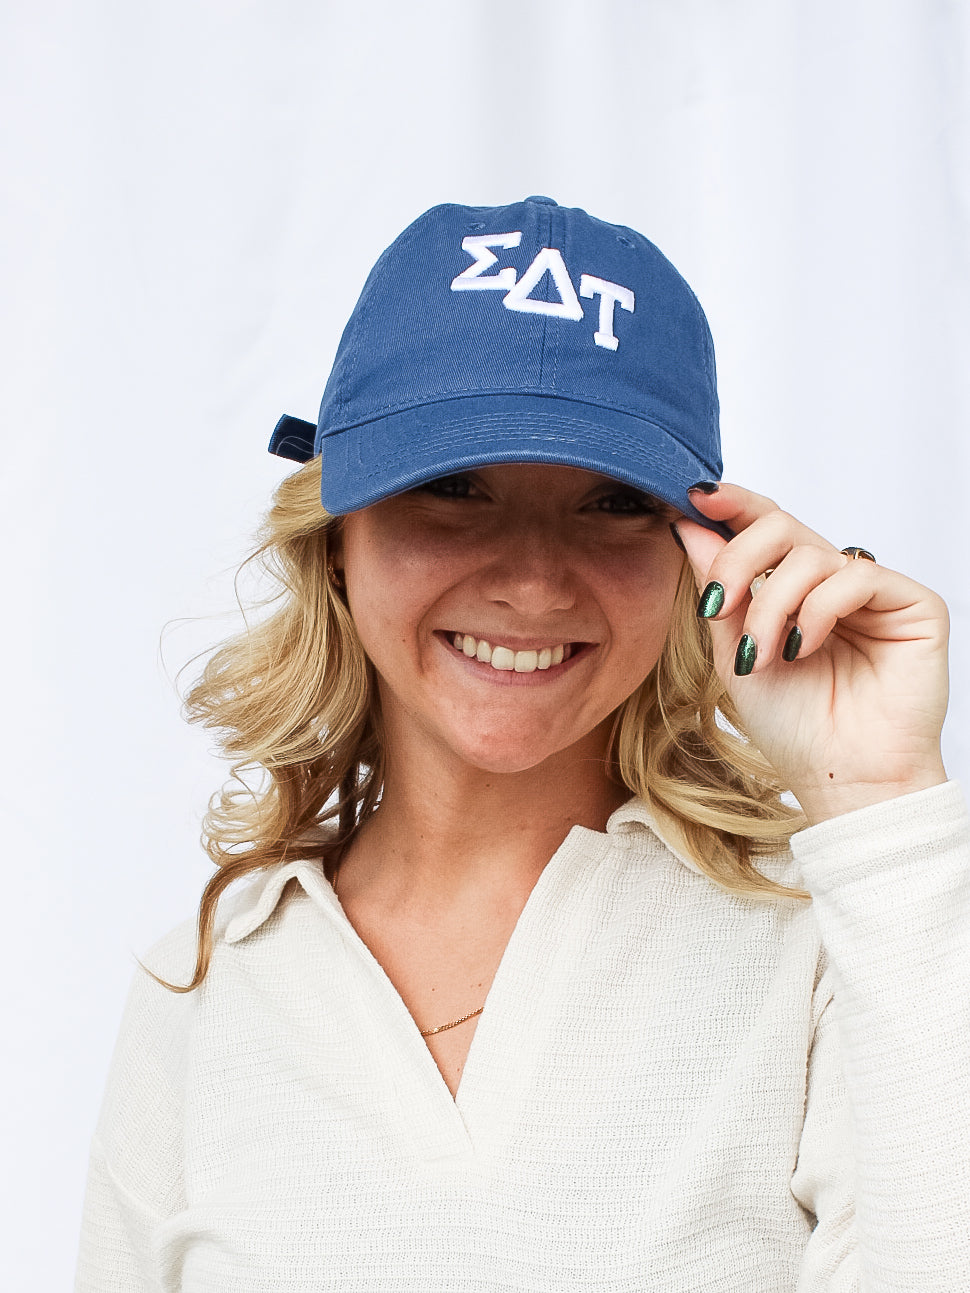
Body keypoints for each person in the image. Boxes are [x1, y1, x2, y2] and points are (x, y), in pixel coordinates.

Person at [75, 197, 969, 1291]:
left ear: (706, 553)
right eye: (455, 488)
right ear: (338, 535)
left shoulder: (843, 939)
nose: (535, 582)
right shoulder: (205, 991)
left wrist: (881, 800)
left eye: (613, 503)